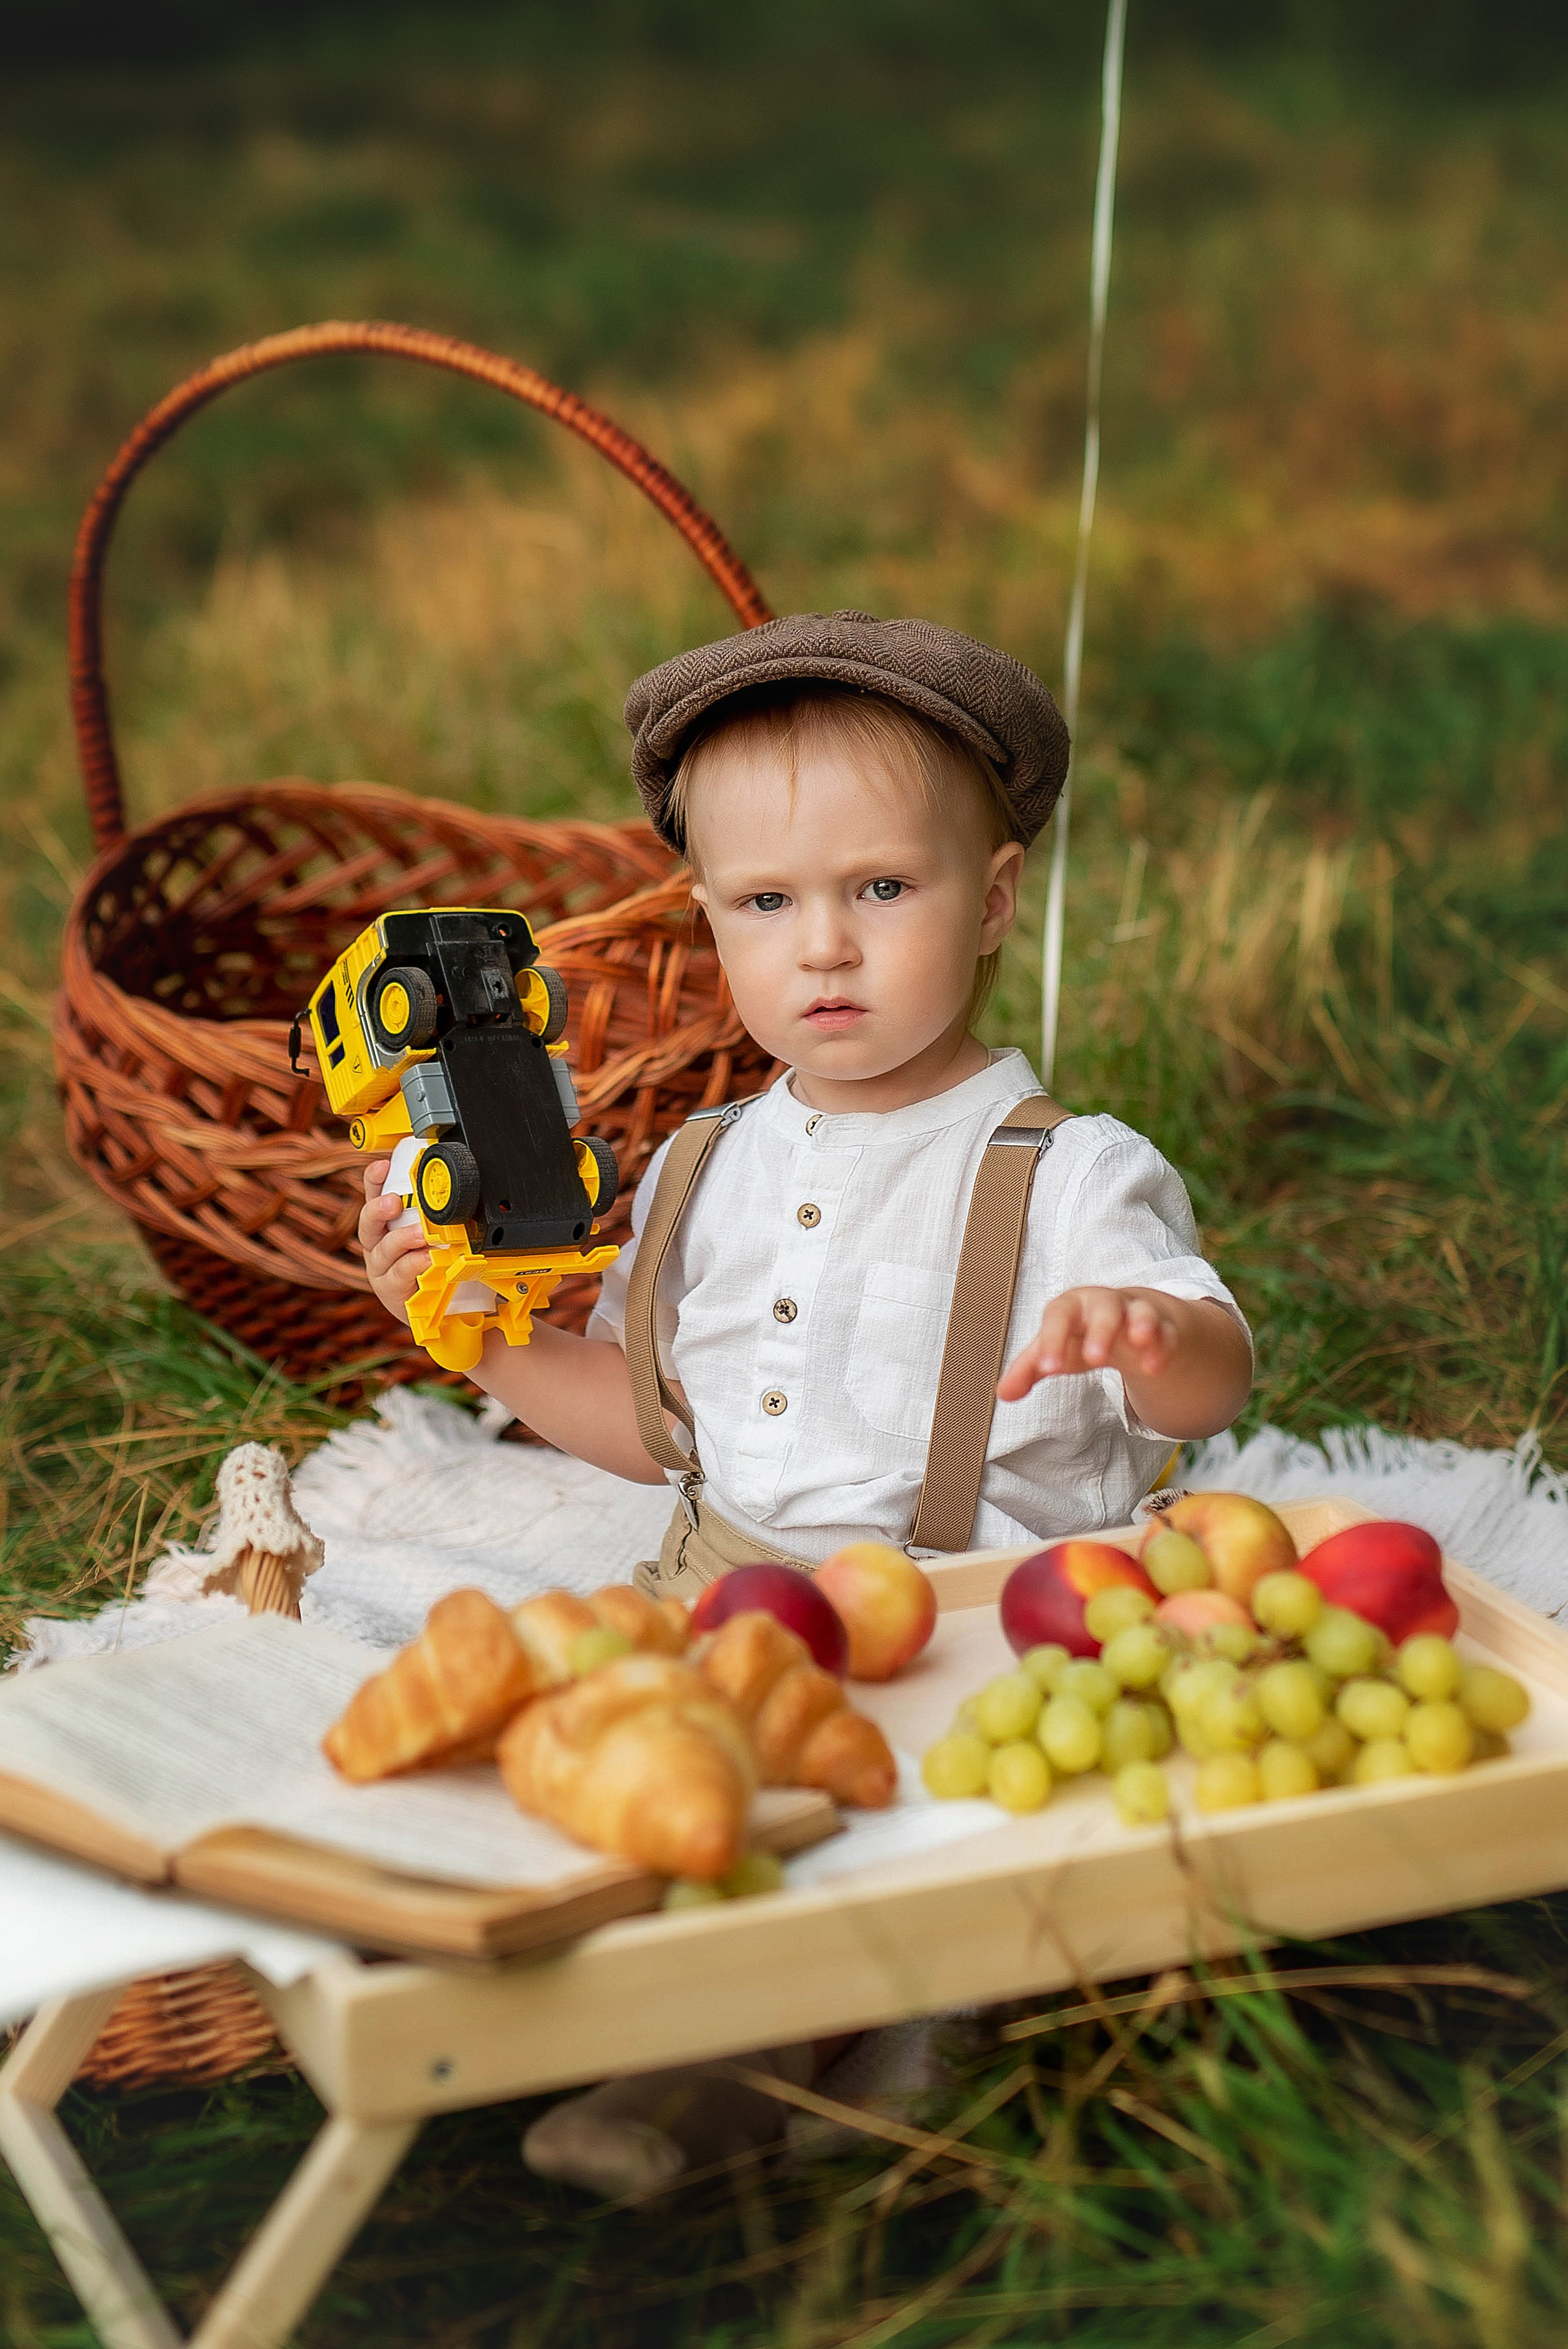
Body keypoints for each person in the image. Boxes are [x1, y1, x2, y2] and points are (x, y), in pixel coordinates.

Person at [358, 610, 1253, 2197]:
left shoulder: (1070, 1168)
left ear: (990, 905)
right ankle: (627, 2002)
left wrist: (1144, 1331)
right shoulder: (708, 1166)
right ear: (713, 922)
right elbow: (659, 1431)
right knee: (614, 1792)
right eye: (769, 902)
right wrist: (478, 1346)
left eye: (880, 890)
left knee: (853, 1859)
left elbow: (1214, 1372)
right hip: (721, 1595)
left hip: (966, 1628)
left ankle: (761, 2066)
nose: (823, 946)